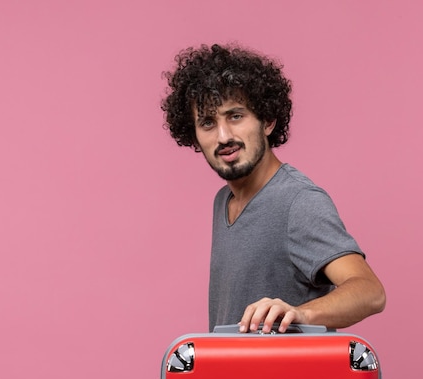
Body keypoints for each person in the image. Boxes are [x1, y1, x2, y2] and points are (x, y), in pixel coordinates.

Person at [161, 43, 385, 333]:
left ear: (267, 121)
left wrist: (299, 314)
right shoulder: (224, 200)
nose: (223, 136)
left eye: (236, 116)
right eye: (207, 123)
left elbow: (370, 292)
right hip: (230, 378)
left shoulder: (298, 201)